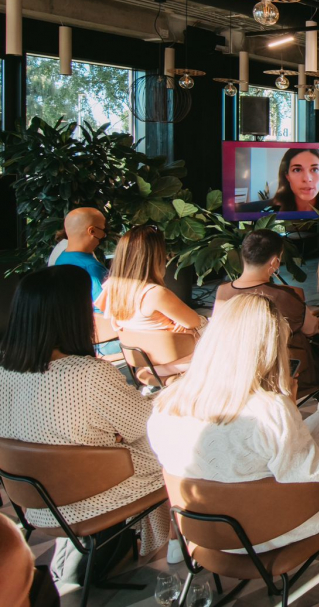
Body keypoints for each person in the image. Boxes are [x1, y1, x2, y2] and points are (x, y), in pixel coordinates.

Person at [148, 294, 319, 573]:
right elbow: (309, 475)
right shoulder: (269, 410)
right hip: (271, 534)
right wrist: (290, 411)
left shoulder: (164, 405)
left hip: (205, 533)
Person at [0, 267, 171, 574]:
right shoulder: (88, 373)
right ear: (71, 316)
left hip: (36, 501)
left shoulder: (5, 371)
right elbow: (146, 424)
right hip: (94, 497)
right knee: (171, 442)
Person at [215, 229, 319, 381]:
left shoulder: (223, 292)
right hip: (280, 374)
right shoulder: (285, 295)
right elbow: (311, 329)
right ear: (274, 262)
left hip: (236, 373)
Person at [95, 225, 204, 336]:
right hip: (174, 351)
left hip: (138, 351)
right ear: (157, 256)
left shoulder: (111, 287)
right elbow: (195, 322)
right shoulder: (155, 293)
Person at [52, 208, 119, 355]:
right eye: (104, 229)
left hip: (73, 337)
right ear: (92, 231)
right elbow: (108, 309)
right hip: (101, 340)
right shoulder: (91, 268)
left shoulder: (61, 257)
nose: (105, 235)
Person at [265, 147, 319, 214]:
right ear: (287, 175)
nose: (307, 179)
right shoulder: (267, 215)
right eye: (297, 170)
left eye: (314, 169)